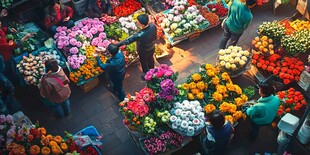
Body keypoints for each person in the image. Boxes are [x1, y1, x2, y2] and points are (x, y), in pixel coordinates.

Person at [116, 14, 157, 79]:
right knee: (150, 58)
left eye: (138, 22)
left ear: (142, 24)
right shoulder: (153, 26)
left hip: (143, 51)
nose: (136, 22)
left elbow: (128, 41)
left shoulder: (140, 34)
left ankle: (147, 75)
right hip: (152, 47)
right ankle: (152, 70)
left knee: (143, 62)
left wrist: (117, 45)